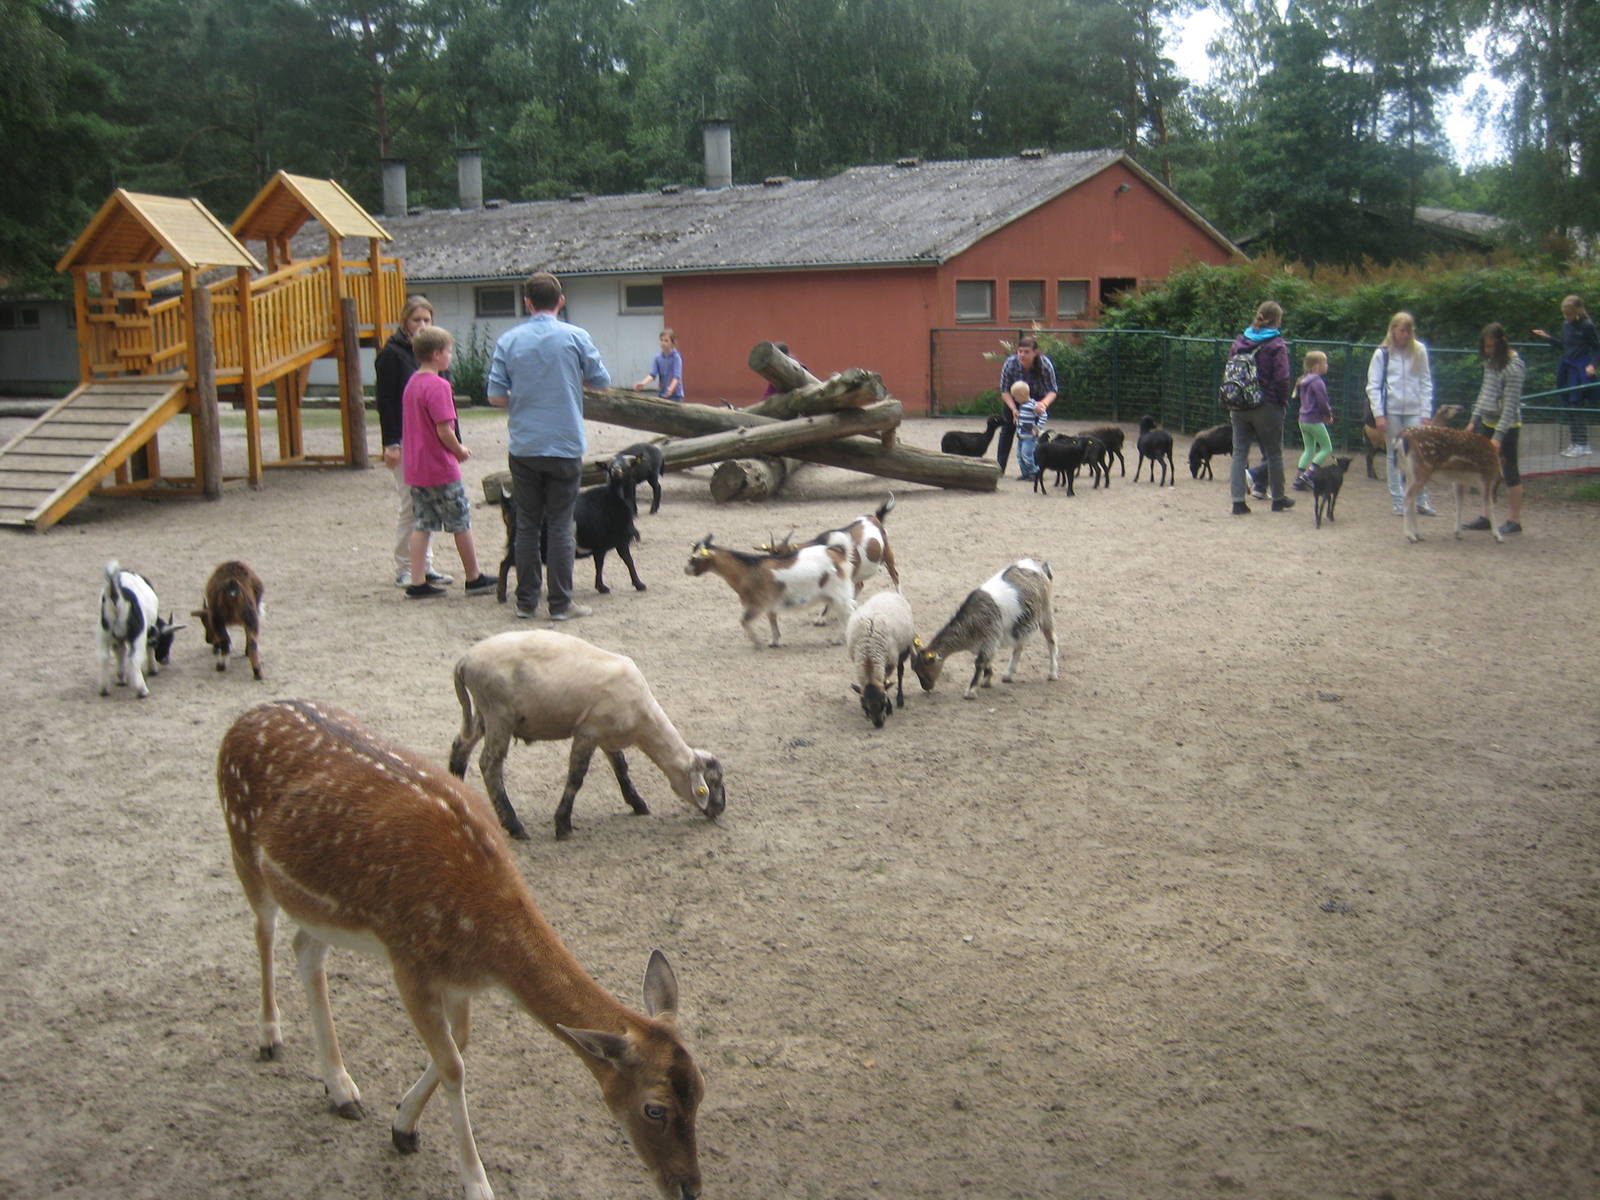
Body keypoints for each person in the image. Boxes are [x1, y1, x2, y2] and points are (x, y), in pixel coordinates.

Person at [487, 271, 612, 621]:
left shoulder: (509, 340)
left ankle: (526, 601)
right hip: (564, 443)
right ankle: (560, 603)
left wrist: (524, 395)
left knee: (526, 524)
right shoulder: (576, 337)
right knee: (560, 523)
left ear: (527, 303)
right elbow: (602, 382)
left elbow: (496, 396)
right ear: (561, 301)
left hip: (525, 445)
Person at [399, 327, 496, 599]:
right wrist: (459, 451)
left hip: (417, 468)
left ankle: (416, 580)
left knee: (423, 523)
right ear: (437, 354)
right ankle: (473, 576)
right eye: (449, 351)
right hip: (440, 467)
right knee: (460, 521)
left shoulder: (412, 383)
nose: (451, 356)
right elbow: (444, 430)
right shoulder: (439, 386)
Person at [375, 295, 450, 588]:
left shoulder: (436, 352)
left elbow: (445, 401)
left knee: (427, 506)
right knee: (409, 504)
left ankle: (425, 565)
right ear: (405, 321)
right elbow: (386, 402)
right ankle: (405, 566)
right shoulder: (392, 354)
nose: (421, 325)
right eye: (416, 319)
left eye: (426, 320)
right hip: (406, 440)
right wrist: (391, 442)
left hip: (431, 440)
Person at [1367, 311, 1437, 516]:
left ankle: (1421, 499)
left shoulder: (1419, 350)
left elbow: (1425, 381)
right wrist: (1379, 414)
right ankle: (1398, 501)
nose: (1405, 335)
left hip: (1415, 408)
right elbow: (1373, 385)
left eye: (1408, 331)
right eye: (1401, 330)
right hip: (1392, 410)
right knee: (1394, 455)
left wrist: (1426, 411)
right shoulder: (1383, 353)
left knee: (1418, 455)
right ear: (1393, 330)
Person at [1228, 301, 1294, 514]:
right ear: (1277, 320)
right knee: (1274, 453)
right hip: (1267, 404)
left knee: (1239, 453)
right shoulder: (1276, 345)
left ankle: (1238, 501)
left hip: (1238, 404)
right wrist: (1282, 401)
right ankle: (1278, 498)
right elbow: (1282, 377)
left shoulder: (1239, 341)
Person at [1465, 322, 1527, 536]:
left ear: (1501, 343)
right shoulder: (1491, 362)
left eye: (1491, 346)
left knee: (1510, 472)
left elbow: (1510, 406)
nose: (1487, 351)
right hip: (1487, 422)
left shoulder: (1514, 368)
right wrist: (1474, 418)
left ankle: (1514, 520)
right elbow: (1485, 391)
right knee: (1485, 472)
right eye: (1485, 347)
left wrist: (1499, 436)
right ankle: (1486, 516)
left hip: (1508, 427)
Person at [1531, 294, 1598, 457]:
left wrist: (1592, 365)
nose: (1566, 318)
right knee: (1567, 404)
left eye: (1569, 314)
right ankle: (1576, 442)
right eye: (1564, 314)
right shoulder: (1566, 325)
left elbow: (1597, 348)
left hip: (1580, 368)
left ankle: (1583, 444)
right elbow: (1565, 346)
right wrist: (1548, 338)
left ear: (1578, 311)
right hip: (1567, 367)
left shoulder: (1587, 326)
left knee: (1576, 404)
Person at [997, 336, 1057, 475]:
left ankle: (1035, 468)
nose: (1022, 355)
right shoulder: (1010, 364)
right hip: (1014, 398)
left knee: (1034, 434)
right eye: (1020, 351)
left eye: (1026, 352)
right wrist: (1013, 409)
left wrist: (1042, 405)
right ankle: (999, 468)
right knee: (1007, 430)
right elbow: (1004, 390)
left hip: (1036, 400)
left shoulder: (1045, 365)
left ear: (1035, 352)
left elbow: (1052, 390)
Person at [1291, 350, 1334, 491]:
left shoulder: (1304, 380)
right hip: (1314, 420)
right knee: (1327, 448)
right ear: (1316, 366)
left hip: (1303, 419)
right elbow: (1323, 402)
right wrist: (1328, 415)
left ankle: (1298, 478)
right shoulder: (1317, 382)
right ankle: (1308, 475)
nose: (1327, 365)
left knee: (1308, 449)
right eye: (1325, 363)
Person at [1009, 379, 1047, 480]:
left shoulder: (1033, 405)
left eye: (1015, 397)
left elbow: (1044, 415)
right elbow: (1024, 418)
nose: (1015, 400)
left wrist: (1038, 428)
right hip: (1021, 436)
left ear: (1021, 395)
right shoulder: (1022, 405)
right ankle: (1025, 473)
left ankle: (1035, 472)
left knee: (1027, 455)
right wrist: (1017, 419)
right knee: (1020, 456)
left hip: (1029, 437)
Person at [634, 328, 684, 401]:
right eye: (661, 340)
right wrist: (643, 383)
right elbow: (652, 375)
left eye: (666, 341)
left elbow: (676, 377)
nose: (663, 343)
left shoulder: (676, 357)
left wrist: (670, 389)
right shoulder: (657, 358)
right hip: (663, 394)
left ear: (672, 343)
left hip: (675, 396)